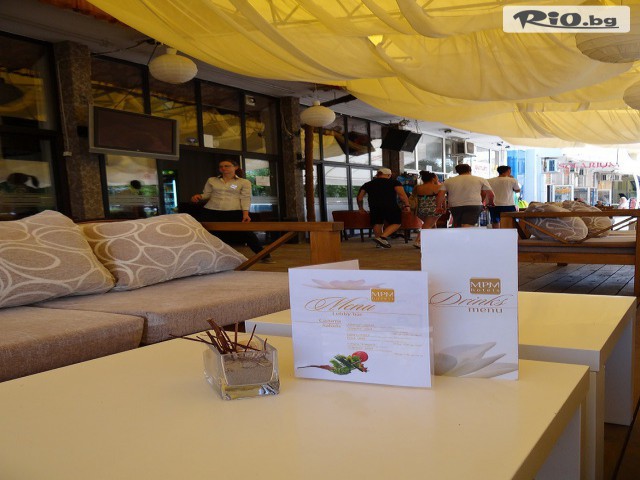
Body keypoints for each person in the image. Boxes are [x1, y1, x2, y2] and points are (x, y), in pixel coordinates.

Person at [191, 159, 274, 263]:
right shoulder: (212, 180)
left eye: (227, 166)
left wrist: (245, 214)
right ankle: (204, 257)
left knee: (246, 233)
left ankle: (264, 255)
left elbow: (245, 198)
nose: (223, 168)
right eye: (221, 166)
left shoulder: (244, 182)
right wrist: (199, 196)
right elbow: (207, 194)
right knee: (205, 233)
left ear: (235, 167)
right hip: (211, 211)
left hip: (233, 211)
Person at [356, 167, 411, 248]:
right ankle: (382, 237)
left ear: (378, 174)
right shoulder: (394, 182)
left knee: (377, 223)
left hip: (374, 206)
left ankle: (380, 243)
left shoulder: (368, 184)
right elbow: (402, 195)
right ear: (389, 175)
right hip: (390, 206)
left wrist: (360, 208)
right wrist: (407, 205)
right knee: (397, 222)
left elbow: (360, 197)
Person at [436, 163, 494, 228]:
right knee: (468, 225)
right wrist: (490, 202)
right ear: (470, 170)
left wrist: (438, 206)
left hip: (455, 205)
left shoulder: (448, 181)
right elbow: (491, 194)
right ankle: (466, 234)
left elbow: (440, 194)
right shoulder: (480, 179)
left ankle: (461, 233)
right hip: (474, 204)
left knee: (458, 225)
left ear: (457, 171)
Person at [410, 171, 441, 249]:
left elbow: (414, 196)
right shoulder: (437, 187)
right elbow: (441, 198)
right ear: (432, 179)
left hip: (420, 210)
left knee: (431, 224)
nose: (437, 179)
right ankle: (418, 241)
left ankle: (434, 240)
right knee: (427, 225)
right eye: (436, 178)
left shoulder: (417, 187)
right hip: (433, 209)